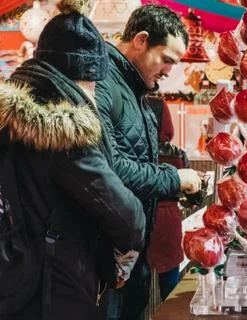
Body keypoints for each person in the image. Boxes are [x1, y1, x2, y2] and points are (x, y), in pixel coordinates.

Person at [0, 0, 145, 319]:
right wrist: (121, 260)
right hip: (55, 288)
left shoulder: (9, 116)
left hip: (12, 280)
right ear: (80, 74)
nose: (94, 92)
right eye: (93, 82)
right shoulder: (65, 131)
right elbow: (127, 216)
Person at [95, 5, 201, 319]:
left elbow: (136, 160)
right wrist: (175, 178)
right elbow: (109, 169)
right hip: (105, 252)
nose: (170, 71)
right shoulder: (103, 83)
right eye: (167, 59)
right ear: (140, 40)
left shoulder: (135, 88)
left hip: (132, 249)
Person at [147, 97, 188, 302]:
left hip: (138, 218)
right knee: (170, 290)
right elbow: (188, 191)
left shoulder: (133, 152)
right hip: (168, 221)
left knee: (133, 293)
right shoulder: (177, 155)